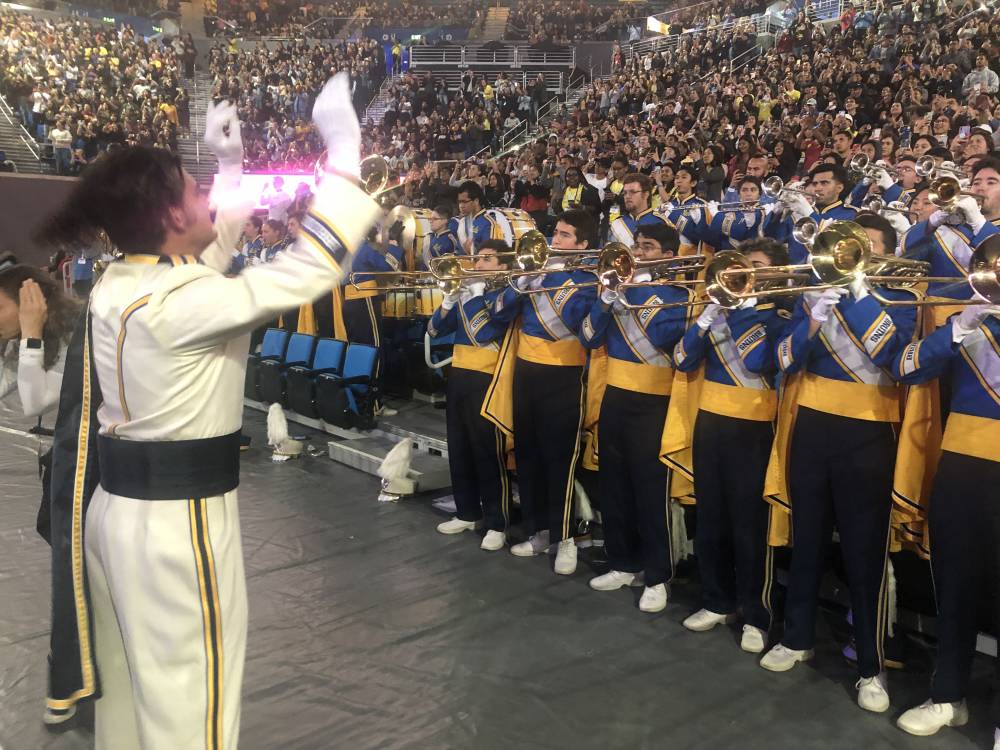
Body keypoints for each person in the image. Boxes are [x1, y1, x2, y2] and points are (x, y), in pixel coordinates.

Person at [38, 74, 380, 750]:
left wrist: (229, 169)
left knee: (135, 707)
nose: (204, 198)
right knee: (195, 711)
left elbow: (208, 258)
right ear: (169, 216)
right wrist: (344, 157)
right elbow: (308, 269)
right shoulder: (179, 300)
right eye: (195, 190)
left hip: (120, 516)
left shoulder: (124, 279)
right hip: (177, 525)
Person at [760, 257, 918, 714]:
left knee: (863, 552)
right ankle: (797, 638)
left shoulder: (900, 300)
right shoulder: (816, 295)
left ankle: (871, 665)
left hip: (868, 433)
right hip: (811, 424)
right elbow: (785, 360)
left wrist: (864, 295)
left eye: (867, 249)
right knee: (807, 539)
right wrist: (812, 318)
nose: (849, 259)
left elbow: (893, 353)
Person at [892, 293, 1000, 744]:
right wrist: (961, 327)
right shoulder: (969, 321)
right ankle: (947, 695)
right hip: (962, 463)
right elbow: (909, 367)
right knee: (955, 584)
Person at [673, 238, 791, 652]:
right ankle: (717, 600)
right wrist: (705, 320)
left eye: (755, 266)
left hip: (754, 428)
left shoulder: (778, 316)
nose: (743, 275)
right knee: (712, 520)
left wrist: (734, 314)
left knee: (749, 527)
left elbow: (759, 362)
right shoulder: (719, 313)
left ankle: (756, 614)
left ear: (773, 274)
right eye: (742, 266)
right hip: (711, 422)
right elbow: (683, 360)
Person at [580, 222, 689, 613]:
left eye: (648, 247)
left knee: (649, 491)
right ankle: (622, 561)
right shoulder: (616, 291)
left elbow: (667, 341)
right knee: (614, 485)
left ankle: (658, 575)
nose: (638, 253)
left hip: (654, 402)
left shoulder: (680, 297)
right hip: (616, 397)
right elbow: (590, 337)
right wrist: (608, 298)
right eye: (636, 246)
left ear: (668, 256)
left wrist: (638, 297)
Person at [491, 209, 600, 575]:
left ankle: (565, 536)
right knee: (529, 456)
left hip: (564, 376)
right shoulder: (532, 273)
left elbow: (581, 327)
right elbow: (497, 314)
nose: (556, 241)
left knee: (560, 461)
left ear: (583, 245)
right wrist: (521, 284)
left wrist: (556, 282)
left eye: (566, 236)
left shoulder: (587, 281)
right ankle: (539, 531)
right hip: (526, 372)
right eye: (556, 233)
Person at [429, 240, 513, 550]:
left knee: (486, 451)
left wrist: (475, 296)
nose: (478, 264)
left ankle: (497, 522)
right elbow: (434, 330)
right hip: (460, 374)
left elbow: (485, 333)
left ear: (503, 265)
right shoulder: (468, 295)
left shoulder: (505, 295)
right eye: (478, 258)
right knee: (460, 445)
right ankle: (467, 511)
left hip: (488, 377)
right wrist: (450, 300)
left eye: (488, 259)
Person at [0, 266, 78, 551]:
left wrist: (31, 331)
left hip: (96, 462)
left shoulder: (73, 335)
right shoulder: (19, 339)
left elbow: (36, 402)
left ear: (30, 305)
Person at [609, 172, 673, 247]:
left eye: (632, 192)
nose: (627, 196)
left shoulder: (661, 223)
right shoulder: (616, 223)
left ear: (646, 194)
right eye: (625, 193)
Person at [452, 181, 498, 253]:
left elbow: (489, 256)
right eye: (459, 202)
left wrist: (471, 252)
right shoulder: (463, 221)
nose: (461, 206)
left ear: (476, 201)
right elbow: (458, 251)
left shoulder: (488, 223)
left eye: (464, 202)